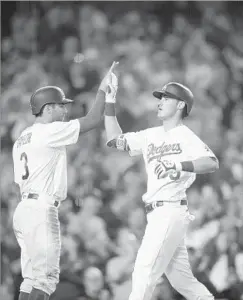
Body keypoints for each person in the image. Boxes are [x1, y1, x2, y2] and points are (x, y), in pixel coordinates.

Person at [104, 77, 219, 300]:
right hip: (158, 213)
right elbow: (113, 140)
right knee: (183, 281)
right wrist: (110, 101)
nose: (160, 101)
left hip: (170, 210)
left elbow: (212, 162)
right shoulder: (150, 135)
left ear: (180, 104)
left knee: (144, 271)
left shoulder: (186, 135)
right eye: (160, 98)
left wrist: (180, 164)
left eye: (166, 98)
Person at [11, 62, 118, 300]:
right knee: (45, 280)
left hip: (24, 209)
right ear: (47, 108)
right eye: (61, 106)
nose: (65, 110)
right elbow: (92, 120)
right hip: (40, 209)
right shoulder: (47, 132)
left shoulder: (22, 137)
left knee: (30, 280)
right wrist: (103, 90)